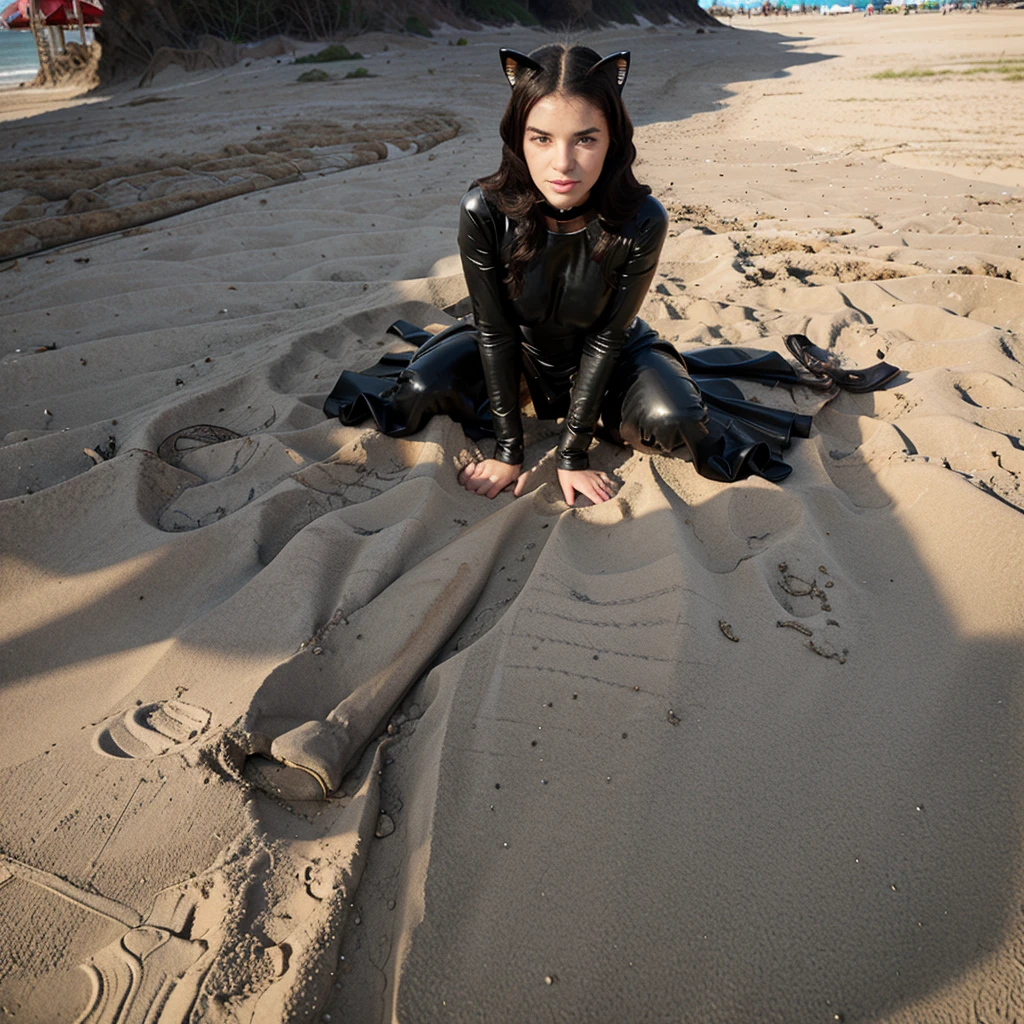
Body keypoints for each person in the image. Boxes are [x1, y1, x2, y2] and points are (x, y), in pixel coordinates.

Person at [323, 44, 898, 506]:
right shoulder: (484, 210)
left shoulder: (642, 220)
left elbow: (608, 335)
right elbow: (494, 330)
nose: (563, 163)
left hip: (613, 353)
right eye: (541, 139)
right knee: (417, 392)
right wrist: (508, 447)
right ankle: (527, 403)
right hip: (511, 350)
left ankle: (610, 405)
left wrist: (571, 454)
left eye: (585, 140)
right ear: (519, 138)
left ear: (612, 140)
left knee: (677, 423)